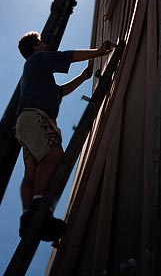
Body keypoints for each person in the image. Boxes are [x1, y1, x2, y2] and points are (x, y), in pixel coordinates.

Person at [16, 31, 112, 241]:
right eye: (41, 42)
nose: (45, 44)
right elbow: (67, 56)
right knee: (54, 155)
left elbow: (60, 91)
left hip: (24, 125)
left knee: (31, 170)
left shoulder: (35, 75)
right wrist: (99, 52)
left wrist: (83, 77)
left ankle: (28, 218)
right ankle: (40, 206)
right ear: (35, 47)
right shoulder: (38, 59)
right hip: (37, 116)